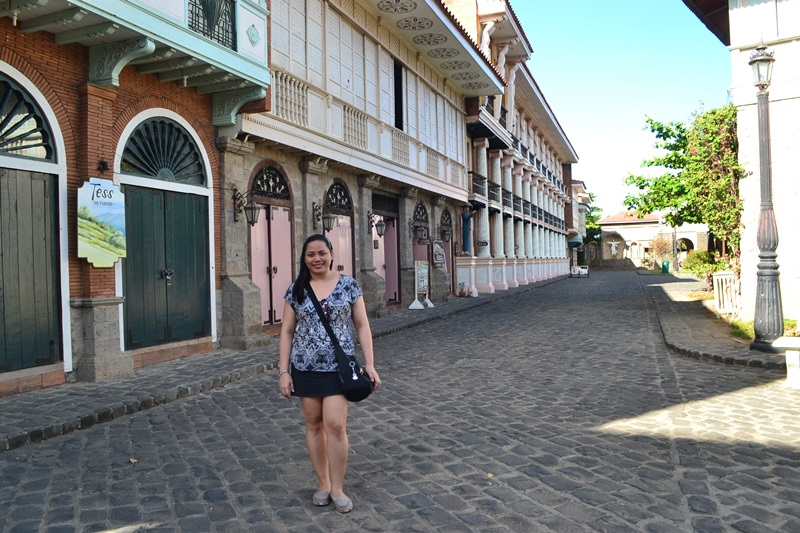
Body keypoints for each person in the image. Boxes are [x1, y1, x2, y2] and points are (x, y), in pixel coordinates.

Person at [278, 234, 381, 514]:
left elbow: (362, 326)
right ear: (304, 259)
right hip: (305, 369)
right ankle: (323, 483)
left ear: (332, 254)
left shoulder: (349, 286)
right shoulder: (296, 290)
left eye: (321, 253)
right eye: (310, 254)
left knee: (334, 424)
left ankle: (337, 487)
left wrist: (369, 364)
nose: (317, 259)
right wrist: (284, 371)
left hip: (339, 368)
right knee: (313, 424)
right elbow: (287, 332)